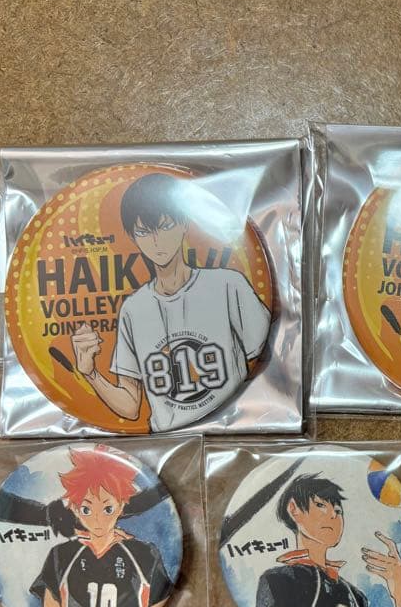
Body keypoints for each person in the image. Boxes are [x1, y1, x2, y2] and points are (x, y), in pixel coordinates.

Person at [70, 172, 271, 431]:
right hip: (165, 440)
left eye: (165, 227)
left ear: (184, 224)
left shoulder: (228, 284)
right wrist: (90, 372)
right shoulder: (133, 309)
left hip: (233, 429)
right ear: (133, 237)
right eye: (144, 232)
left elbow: (270, 363)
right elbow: (130, 407)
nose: (156, 241)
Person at [29, 447, 173, 607]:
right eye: (86, 509)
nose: (97, 519)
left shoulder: (144, 553)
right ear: (75, 509)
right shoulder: (61, 555)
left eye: (107, 508)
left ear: (121, 506)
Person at [254, 473, 401, 607]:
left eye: (338, 511)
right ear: (293, 509)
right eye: (321, 505)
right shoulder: (279, 579)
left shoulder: (355, 595)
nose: (332, 516)